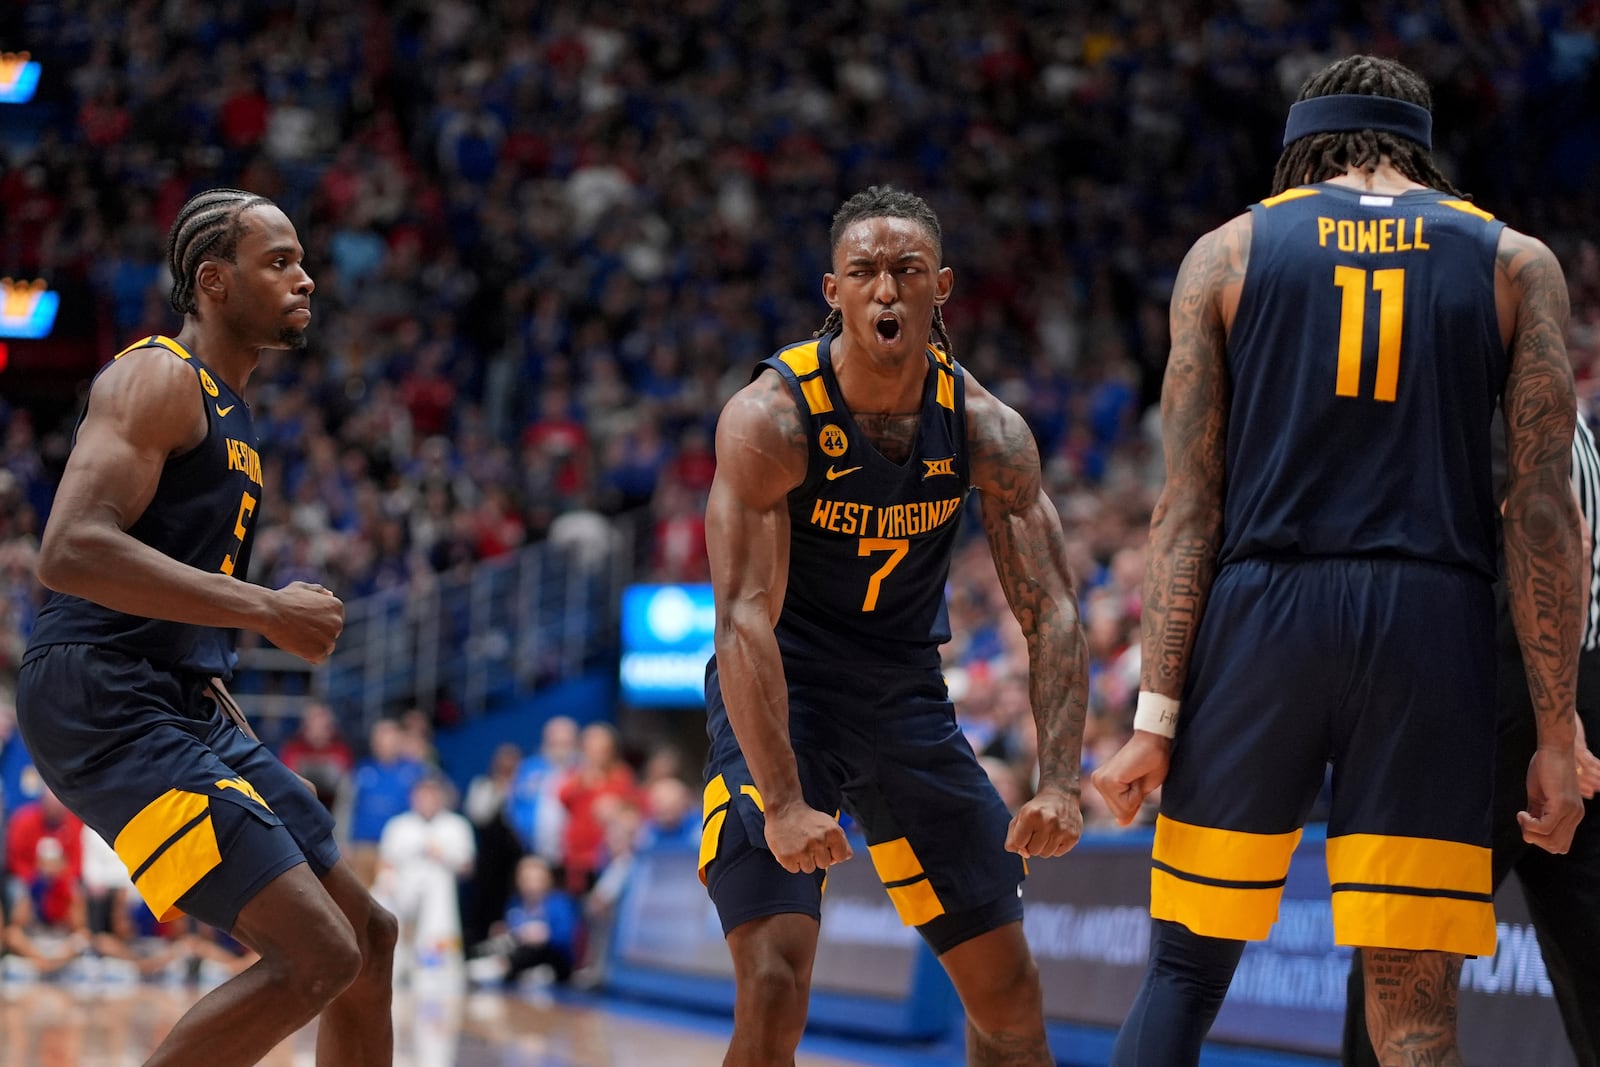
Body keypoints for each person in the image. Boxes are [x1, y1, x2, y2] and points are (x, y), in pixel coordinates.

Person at [1090, 55, 1586, 1067]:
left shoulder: (1226, 254)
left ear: (1298, 152)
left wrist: (1153, 717)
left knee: (1184, 970)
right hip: (1431, 620)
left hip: (1260, 613)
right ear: (1422, 150)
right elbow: (1544, 513)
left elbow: (1186, 505)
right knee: (1410, 1014)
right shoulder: (1513, 261)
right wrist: (1556, 726)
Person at [702, 185, 1088, 1067]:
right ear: (831, 292)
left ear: (939, 287)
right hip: (784, 690)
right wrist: (788, 801)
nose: (886, 290)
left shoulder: (988, 430)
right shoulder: (770, 420)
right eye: (864, 272)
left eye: (907, 271)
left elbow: (1054, 608)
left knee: (1011, 998)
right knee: (770, 985)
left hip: (907, 695)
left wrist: (1060, 780)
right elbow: (742, 618)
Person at [14, 188, 396, 1066]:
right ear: (215, 282)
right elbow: (68, 550)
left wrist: (217, 679)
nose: (305, 279)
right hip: (101, 696)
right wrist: (263, 607)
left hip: (183, 697)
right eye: (280, 262)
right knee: (318, 953)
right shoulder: (156, 377)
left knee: (366, 937)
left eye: (302, 262)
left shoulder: (235, 414)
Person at [1341, 414, 1600, 1066]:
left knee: (1399, 948)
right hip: (1559, 680)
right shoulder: (1547, 405)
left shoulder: (1496, 393)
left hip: (1509, 685)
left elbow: (1541, 540)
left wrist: (1556, 714)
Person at [375, 774, 475, 989]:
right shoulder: (398, 825)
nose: (426, 800)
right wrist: (387, 880)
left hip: (438, 889)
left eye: (432, 795)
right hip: (402, 888)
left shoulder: (456, 825)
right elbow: (386, 862)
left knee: (439, 882)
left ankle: (435, 966)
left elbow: (467, 866)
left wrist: (443, 854)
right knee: (379, 893)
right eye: (422, 795)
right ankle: (390, 965)